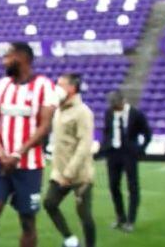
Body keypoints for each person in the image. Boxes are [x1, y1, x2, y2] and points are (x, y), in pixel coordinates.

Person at [0, 42, 57, 247]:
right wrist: (1, 152)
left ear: (22, 57)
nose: (4, 61)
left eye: (8, 56)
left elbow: (45, 126)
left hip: (29, 166)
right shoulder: (2, 85)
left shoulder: (44, 86)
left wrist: (18, 154)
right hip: (2, 162)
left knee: (27, 221)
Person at [44, 73, 96, 247]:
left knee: (84, 214)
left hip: (79, 174)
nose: (56, 88)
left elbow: (84, 145)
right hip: (59, 172)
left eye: (61, 85)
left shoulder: (83, 112)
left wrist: (69, 173)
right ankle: (70, 239)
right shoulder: (58, 110)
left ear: (72, 88)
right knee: (50, 203)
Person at [98, 89, 151, 233]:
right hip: (113, 154)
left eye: (115, 104)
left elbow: (147, 133)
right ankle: (120, 217)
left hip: (129, 154)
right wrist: (103, 149)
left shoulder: (136, 114)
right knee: (113, 186)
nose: (113, 107)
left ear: (123, 101)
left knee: (132, 187)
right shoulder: (109, 113)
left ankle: (131, 221)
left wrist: (140, 149)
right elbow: (107, 132)